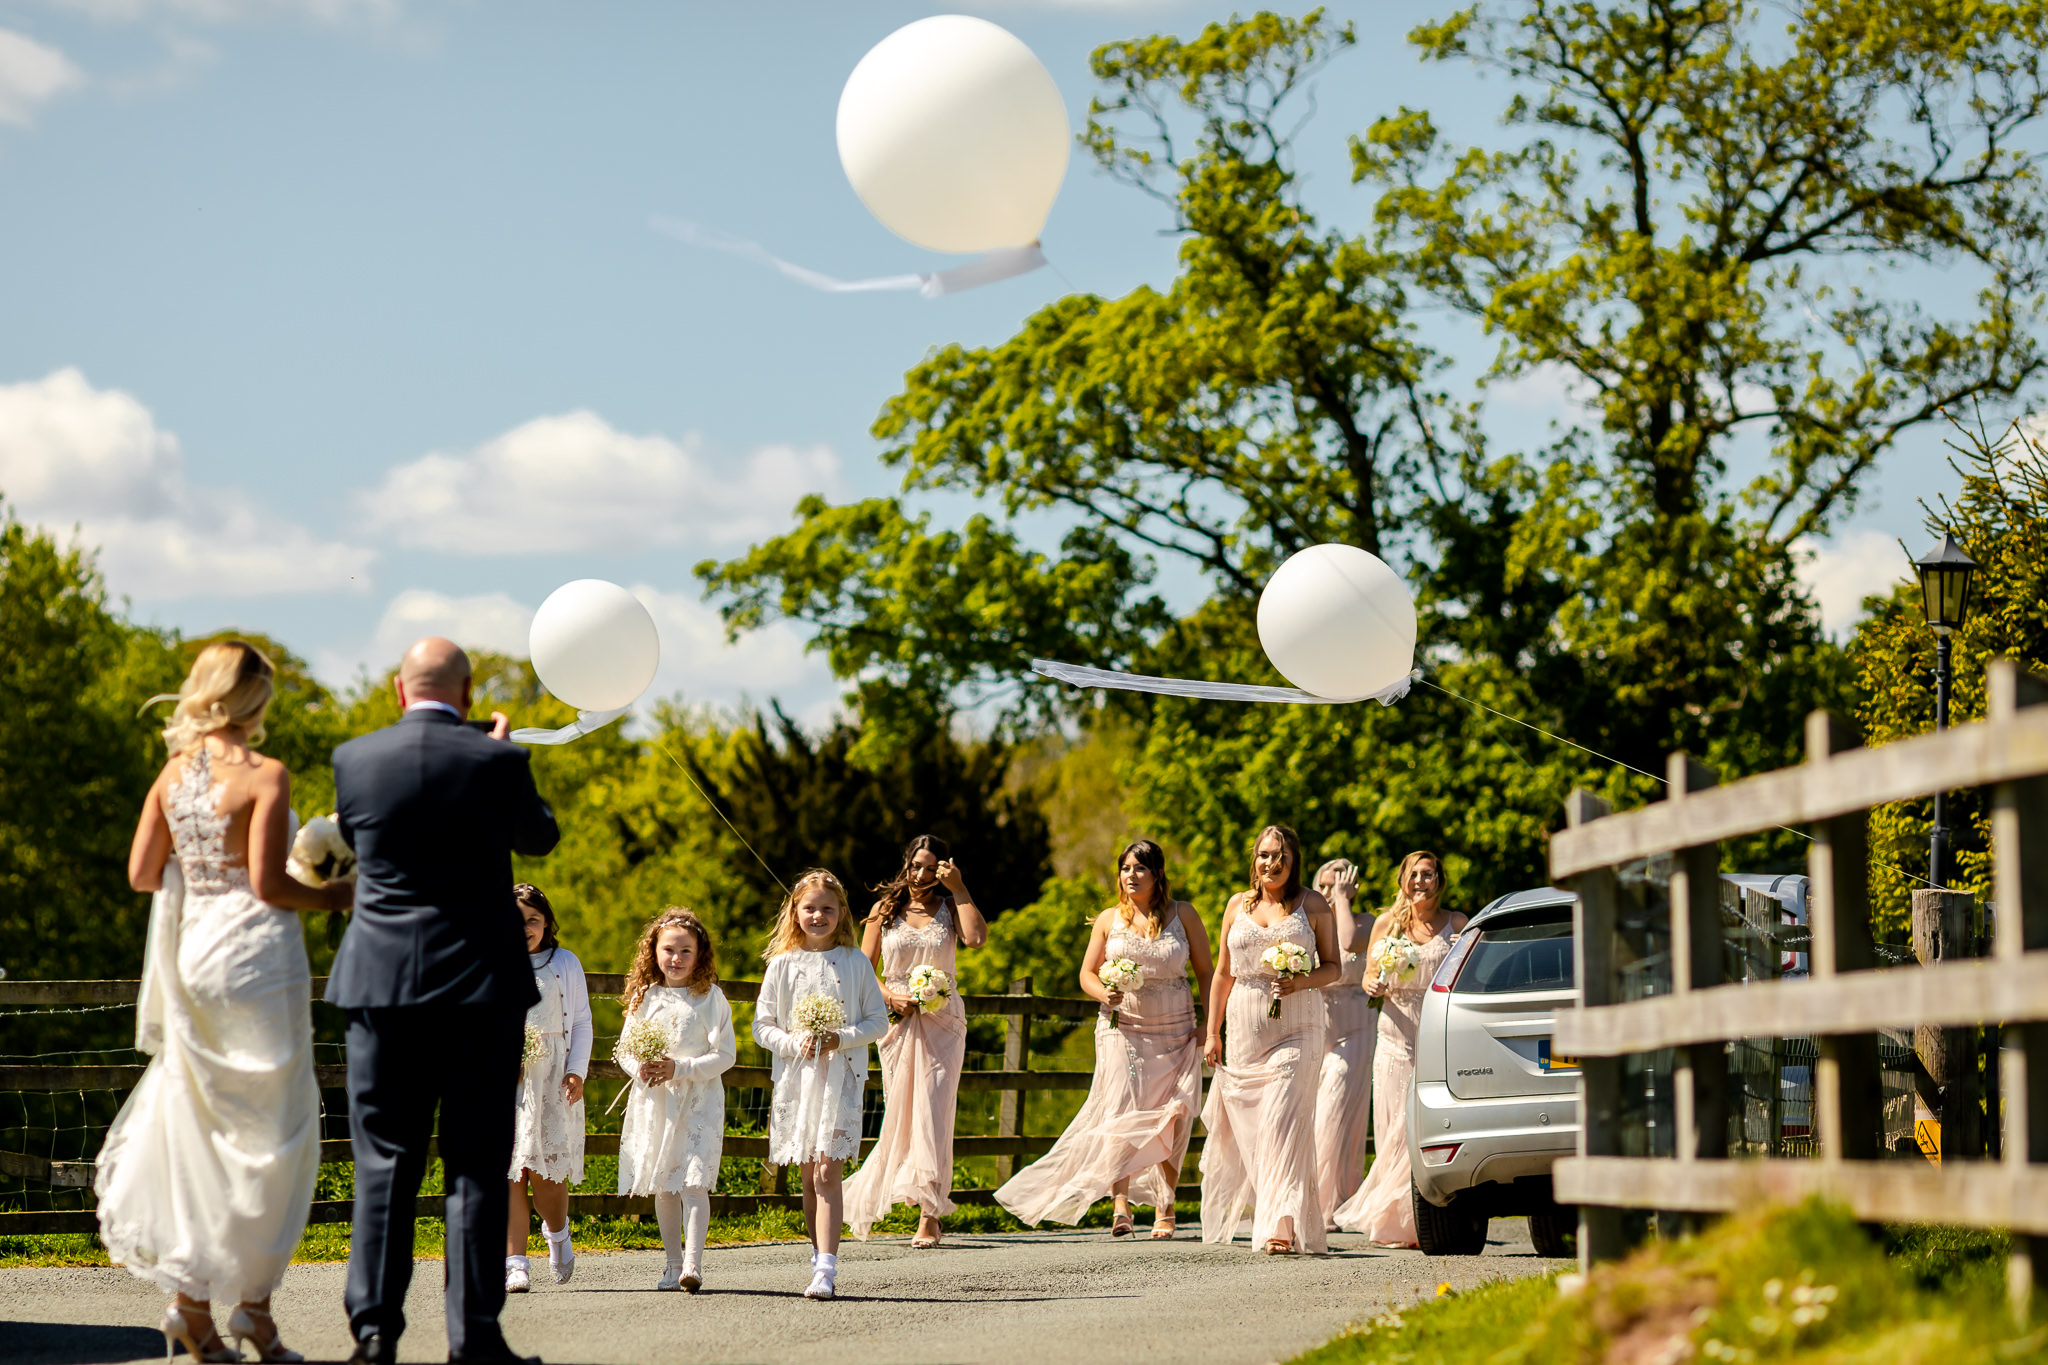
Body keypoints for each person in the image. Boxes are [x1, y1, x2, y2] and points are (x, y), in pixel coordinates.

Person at [102, 641, 352, 1364]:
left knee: (202, 1121)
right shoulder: (265, 774)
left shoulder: (171, 775)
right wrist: (337, 892)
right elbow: (274, 886)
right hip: (258, 958)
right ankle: (253, 1311)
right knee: (275, 1130)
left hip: (194, 955)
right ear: (252, 701)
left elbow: (144, 871)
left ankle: (190, 1307)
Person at [326, 637, 560, 1365]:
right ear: (465, 695)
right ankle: (474, 1335)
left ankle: (372, 1331)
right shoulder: (498, 760)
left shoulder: (354, 759)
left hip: (381, 984)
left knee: (385, 1161)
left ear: (400, 691)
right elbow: (540, 837)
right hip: (479, 988)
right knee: (476, 1162)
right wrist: (498, 752)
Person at [995, 839, 1211, 1239]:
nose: (1132, 875)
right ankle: (1120, 1205)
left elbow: (1206, 974)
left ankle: (1166, 1204)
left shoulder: (1185, 915)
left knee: (1174, 1114)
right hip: (1122, 1028)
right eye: (1126, 868)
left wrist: (1211, 1026)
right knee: (1120, 1111)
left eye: (1140, 868)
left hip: (1177, 1030)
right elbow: (1087, 973)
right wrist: (1102, 993)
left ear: (1158, 874)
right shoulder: (1109, 919)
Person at [1199, 824, 1343, 1254]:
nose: (1271, 863)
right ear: (1254, 860)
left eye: (1279, 856)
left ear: (1293, 860)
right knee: (1256, 1131)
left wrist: (1302, 982)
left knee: (1283, 1120)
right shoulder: (1236, 906)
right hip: (1244, 1030)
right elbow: (1223, 974)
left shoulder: (1311, 905)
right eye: (1264, 855)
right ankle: (1284, 1213)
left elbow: (1334, 968)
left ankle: (1280, 1225)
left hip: (1299, 1027)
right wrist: (1212, 1032)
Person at [843, 835, 987, 1248]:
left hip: (943, 1020)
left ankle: (930, 1213)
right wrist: (889, 997)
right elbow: (863, 967)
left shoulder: (949, 908)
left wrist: (958, 888)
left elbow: (976, 939)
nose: (921, 875)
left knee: (936, 1109)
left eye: (931, 868)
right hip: (896, 1022)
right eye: (915, 866)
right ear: (905, 865)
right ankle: (901, 1193)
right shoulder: (884, 911)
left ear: (942, 870)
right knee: (903, 1112)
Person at [751, 869, 888, 1301]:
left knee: (830, 1170)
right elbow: (762, 1026)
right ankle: (817, 1257)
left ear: (841, 912)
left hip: (840, 1078)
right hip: (797, 1077)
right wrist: (794, 1042)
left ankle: (828, 1268)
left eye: (827, 908)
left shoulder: (855, 961)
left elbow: (877, 1022)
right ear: (795, 912)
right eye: (809, 908)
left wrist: (838, 1038)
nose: (818, 915)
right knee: (809, 1175)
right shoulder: (782, 965)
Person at [1333, 851, 1466, 1246]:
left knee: (1425, 1126)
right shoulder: (1389, 924)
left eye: (1428, 874)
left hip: (1439, 1034)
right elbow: (1369, 974)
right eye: (1413, 875)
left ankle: (1420, 1219)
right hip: (1395, 1034)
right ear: (1402, 881)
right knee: (1395, 1128)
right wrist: (1371, 984)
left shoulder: (1457, 923)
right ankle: (1399, 1219)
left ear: (1439, 881)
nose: (1420, 882)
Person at [614, 908, 734, 1292]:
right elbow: (625, 1049)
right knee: (665, 1183)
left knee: (694, 1181)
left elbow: (725, 1055)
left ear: (699, 955)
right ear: (655, 952)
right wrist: (641, 1069)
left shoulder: (711, 998)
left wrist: (680, 1068)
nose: (676, 958)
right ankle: (671, 1263)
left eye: (685, 950)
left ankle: (693, 1266)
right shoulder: (645, 997)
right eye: (669, 950)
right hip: (657, 1102)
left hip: (698, 1100)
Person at [505, 884, 592, 1292]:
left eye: (533, 920)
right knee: (509, 1171)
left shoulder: (564, 963)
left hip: (552, 1075)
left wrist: (576, 1071)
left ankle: (558, 1234)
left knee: (547, 1178)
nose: (524, 928)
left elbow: (581, 1022)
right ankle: (515, 1263)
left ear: (546, 923)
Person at [1311, 857, 1375, 1224]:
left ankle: (1328, 1203)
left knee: (1337, 1113)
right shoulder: (1309, 923)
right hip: (1317, 1026)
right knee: (1321, 1113)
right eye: (1322, 885)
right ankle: (1338, 1197)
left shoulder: (1364, 922)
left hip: (1356, 1026)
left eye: (1336, 885)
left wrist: (1343, 902)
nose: (1328, 892)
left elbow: (1348, 940)